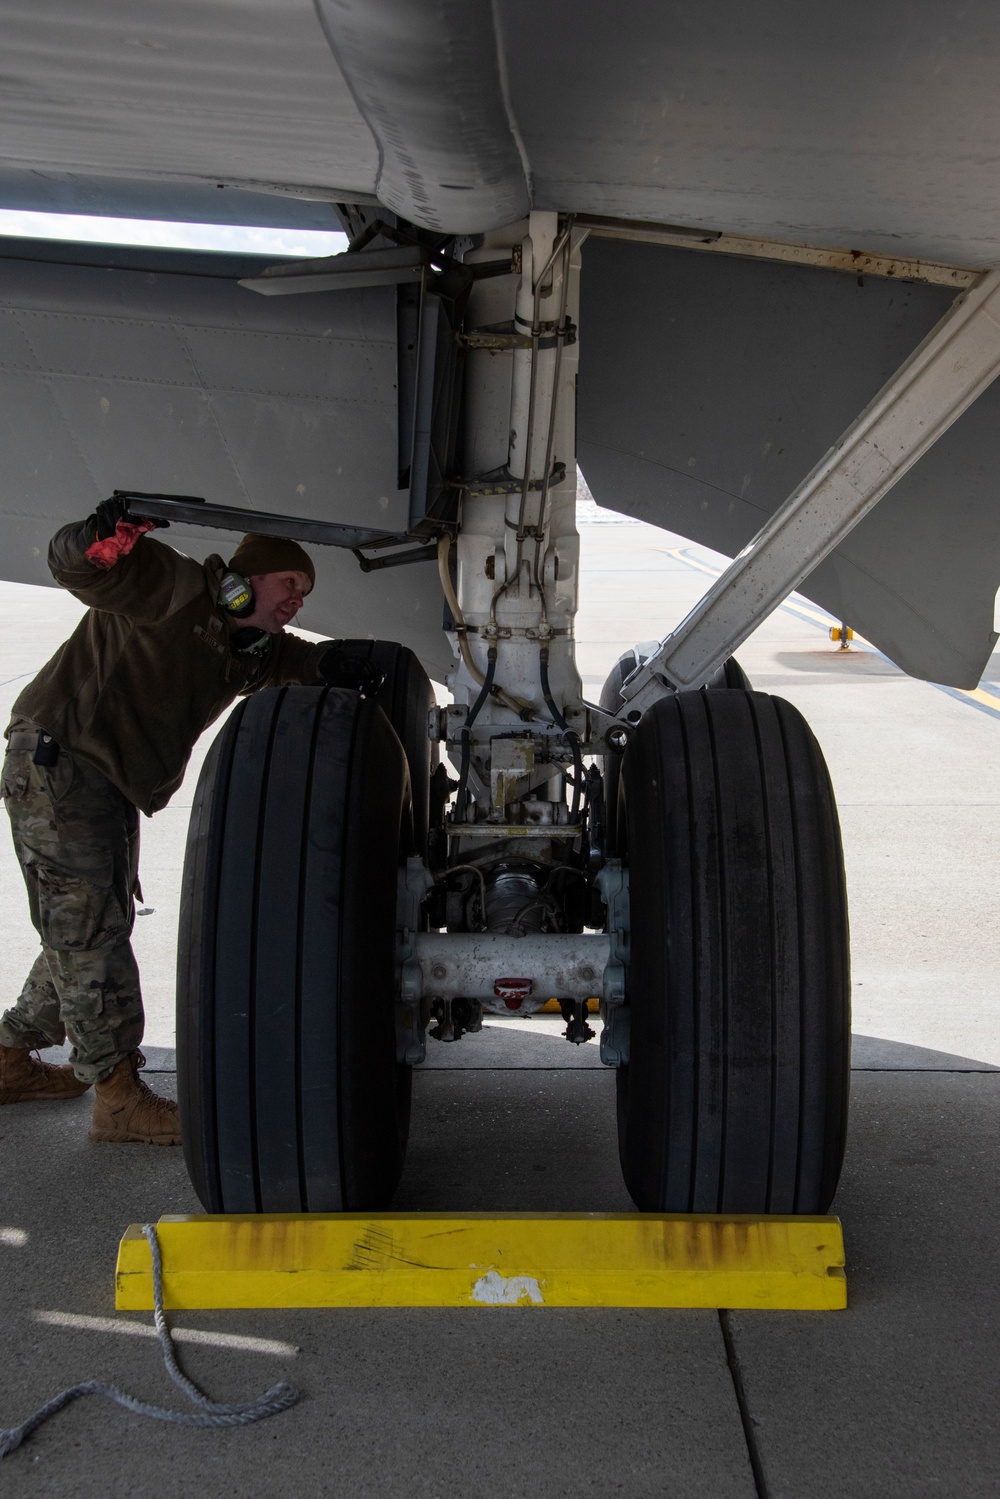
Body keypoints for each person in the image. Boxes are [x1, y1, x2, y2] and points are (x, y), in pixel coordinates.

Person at [0, 494, 378, 1143]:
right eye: (289, 583)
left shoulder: (249, 647)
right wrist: (97, 539)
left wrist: (351, 663)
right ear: (251, 574)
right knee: (89, 934)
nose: (297, 600)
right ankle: (117, 1098)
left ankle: (9, 1056)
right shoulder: (176, 587)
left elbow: (294, 663)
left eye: (304, 593)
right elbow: (84, 569)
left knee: (87, 923)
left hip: (103, 779)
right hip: (62, 760)